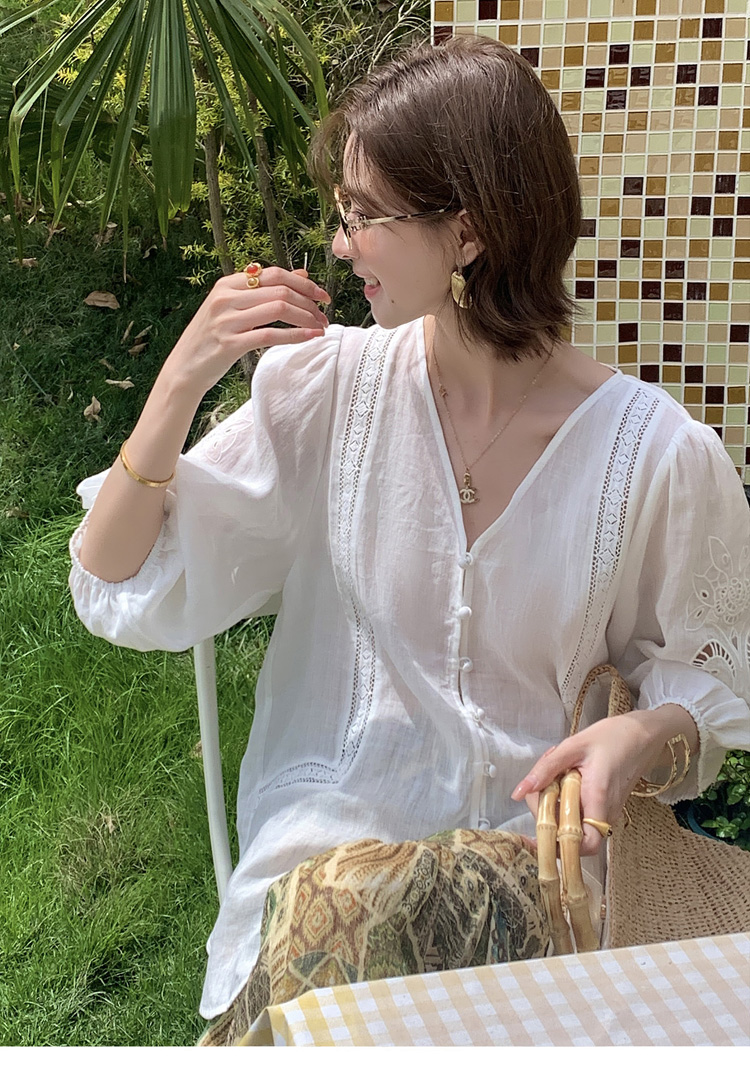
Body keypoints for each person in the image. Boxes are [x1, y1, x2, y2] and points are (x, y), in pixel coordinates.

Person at [68, 35, 750, 1029]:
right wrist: (180, 380)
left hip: (544, 882)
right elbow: (116, 576)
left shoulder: (656, 456)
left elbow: (712, 685)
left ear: (466, 233)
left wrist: (639, 731)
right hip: (322, 876)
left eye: (364, 216)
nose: (341, 244)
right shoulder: (327, 392)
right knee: (349, 918)